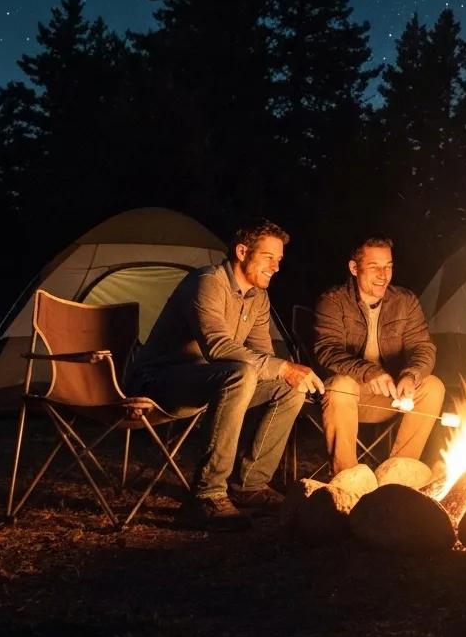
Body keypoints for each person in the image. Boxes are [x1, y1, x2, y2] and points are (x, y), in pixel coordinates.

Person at [131, 219, 323, 532]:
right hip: (159, 381)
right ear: (242, 251)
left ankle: (250, 484)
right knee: (243, 373)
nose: (275, 267)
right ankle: (206, 495)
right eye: (268, 258)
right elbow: (217, 347)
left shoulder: (258, 298)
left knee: (286, 387)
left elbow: (264, 357)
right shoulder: (206, 282)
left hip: (210, 381)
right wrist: (284, 367)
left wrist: (289, 373)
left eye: (279, 260)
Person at [312, 237, 445, 474]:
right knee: (340, 386)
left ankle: (398, 475)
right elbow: (328, 351)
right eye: (375, 267)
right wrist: (369, 372)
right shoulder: (333, 301)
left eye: (389, 266)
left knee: (433, 386)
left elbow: (423, 347)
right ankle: (347, 479)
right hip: (347, 397)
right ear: (354, 268)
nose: (384, 275)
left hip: (390, 394)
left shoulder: (405, 301)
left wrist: (411, 376)